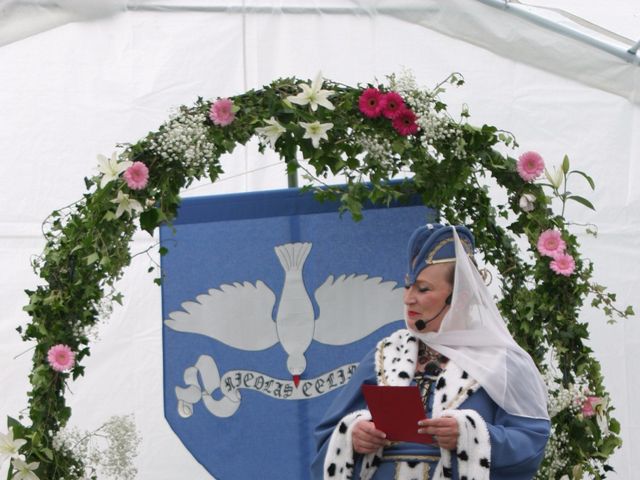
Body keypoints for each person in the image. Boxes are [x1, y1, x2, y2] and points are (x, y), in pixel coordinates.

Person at [310, 223, 550, 480]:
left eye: (423, 289)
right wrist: (353, 435)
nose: (408, 298)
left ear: (460, 295)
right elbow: (327, 436)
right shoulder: (388, 353)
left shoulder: (498, 359)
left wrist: (470, 433)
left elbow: (531, 442)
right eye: (407, 285)